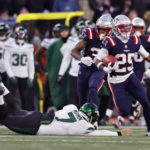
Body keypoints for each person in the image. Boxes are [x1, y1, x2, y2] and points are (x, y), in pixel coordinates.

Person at [0, 83, 131, 136]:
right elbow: (100, 134)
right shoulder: (84, 127)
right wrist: (118, 134)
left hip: (38, 116)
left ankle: (2, 87)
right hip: (36, 126)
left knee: (13, 109)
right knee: (3, 117)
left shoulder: (72, 107)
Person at [95, 14, 150, 136]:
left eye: (127, 27)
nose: (126, 30)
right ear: (115, 28)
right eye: (122, 27)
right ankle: (134, 104)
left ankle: (149, 130)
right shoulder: (110, 41)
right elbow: (97, 60)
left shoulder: (134, 40)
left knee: (145, 101)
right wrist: (105, 68)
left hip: (130, 75)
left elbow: (146, 55)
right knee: (124, 111)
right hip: (115, 80)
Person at [71, 15, 113, 108]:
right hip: (85, 68)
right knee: (82, 98)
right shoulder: (90, 35)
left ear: (111, 30)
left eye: (106, 30)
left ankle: (95, 117)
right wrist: (82, 58)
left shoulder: (113, 40)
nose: (103, 32)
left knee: (93, 88)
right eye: (101, 29)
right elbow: (74, 51)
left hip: (98, 69)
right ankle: (84, 118)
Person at [4, 26, 35, 110]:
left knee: (26, 98)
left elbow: (31, 63)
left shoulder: (29, 47)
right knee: (10, 97)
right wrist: (10, 75)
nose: (21, 36)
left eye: (23, 34)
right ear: (15, 34)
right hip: (13, 74)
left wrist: (31, 77)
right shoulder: (9, 46)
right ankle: (10, 115)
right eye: (19, 34)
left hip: (24, 75)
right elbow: (6, 61)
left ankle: (27, 115)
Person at [46, 25, 70, 110]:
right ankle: (59, 111)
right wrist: (49, 72)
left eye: (66, 31)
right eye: (62, 31)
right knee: (57, 93)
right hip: (56, 72)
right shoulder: (54, 45)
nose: (64, 33)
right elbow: (48, 59)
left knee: (70, 92)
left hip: (70, 73)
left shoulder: (72, 43)